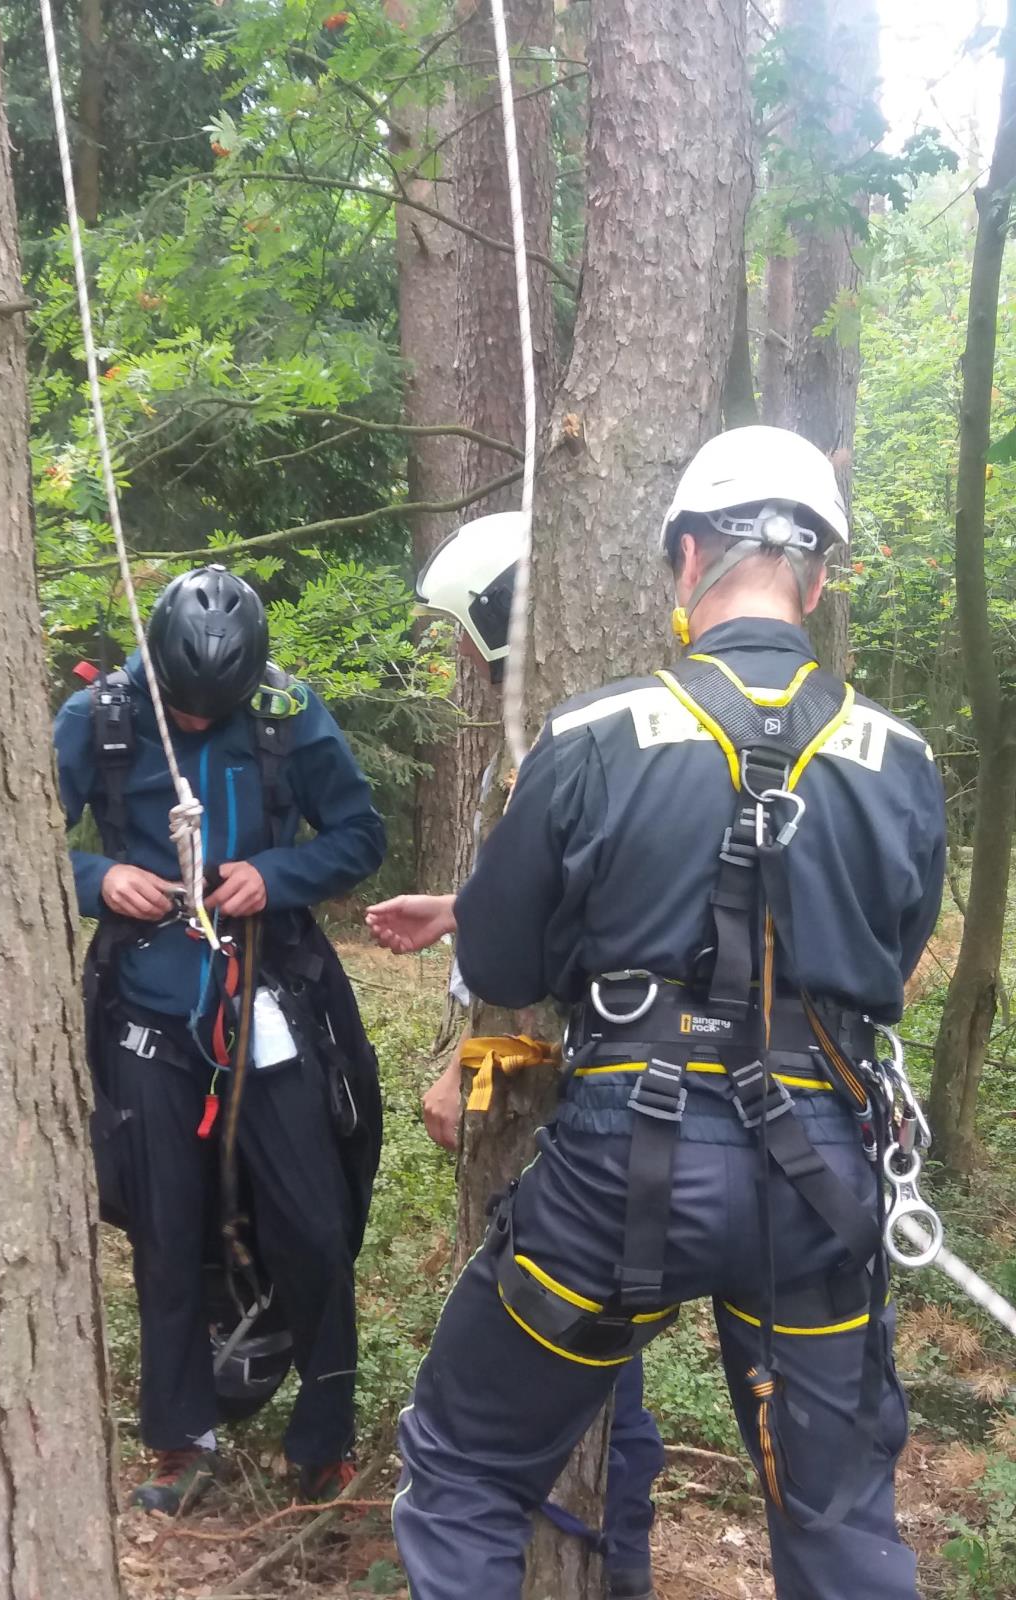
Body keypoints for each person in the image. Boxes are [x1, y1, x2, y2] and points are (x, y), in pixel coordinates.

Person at [383, 427, 947, 1600]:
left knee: (467, 1465)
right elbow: (888, 962)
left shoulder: (592, 734)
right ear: (820, 575)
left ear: (688, 558)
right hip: (818, 1183)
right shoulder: (898, 758)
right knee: (840, 1529)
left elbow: (498, 950)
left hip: (618, 1172)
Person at [368, 515, 667, 1600]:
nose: (454, 661)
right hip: (656, 1135)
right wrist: (459, 910)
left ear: (499, 622)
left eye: (462, 636)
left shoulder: (562, 747)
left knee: (527, 1407)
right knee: (602, 1362)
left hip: (583, 1139)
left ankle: (604, 1566)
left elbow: (551, 992)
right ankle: (616, 1566)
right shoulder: (620, 739)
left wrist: (466, 1068)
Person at [54, 564, 386, 1515]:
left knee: (317, 1226)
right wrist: (95, 879)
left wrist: (277, 873)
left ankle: (320, 1440)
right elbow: (23, 827)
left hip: (267, 998)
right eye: (184, 711)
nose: (197, 724)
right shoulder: (103, 717)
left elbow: (359, 834)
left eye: (215, 712)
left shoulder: (286, 715)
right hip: (148, 1008)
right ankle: (179, 1436)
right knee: (164, 1228)